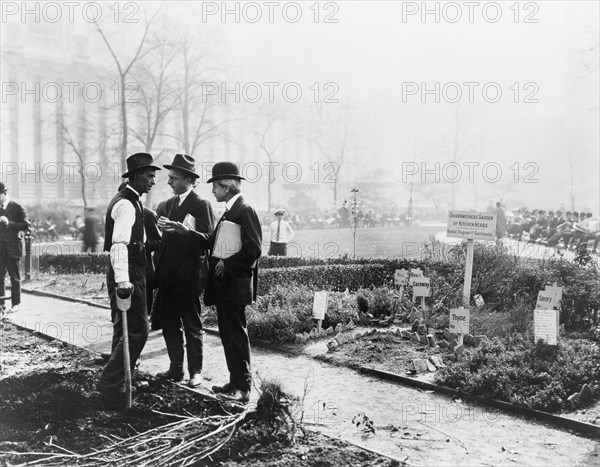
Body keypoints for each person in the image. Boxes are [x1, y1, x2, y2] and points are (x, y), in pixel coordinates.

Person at [161, 161, 261, 403]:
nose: (212, 192)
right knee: (228, 334)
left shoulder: (244, 209)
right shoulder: (230, 210)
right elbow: (210, 240)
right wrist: (185, 232)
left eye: (215, 187)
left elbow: (254, 249)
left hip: (235, 285)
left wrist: (228, 264)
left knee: (236, 335)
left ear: (226, 187)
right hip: (226, 286)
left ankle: (243, 388)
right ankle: (234, 381)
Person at [96, 153, 160, 397]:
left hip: (133, 268)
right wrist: (123, 279)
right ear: (135, 177)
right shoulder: (125, 204)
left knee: (122, 331)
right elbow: (119, 244)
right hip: (128, 270)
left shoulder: (133, 201)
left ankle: (122, 382)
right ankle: (109, 384)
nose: (153, 182)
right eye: (149, 176)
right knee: (138, 331)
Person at [154, 154, 215, 388]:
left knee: (192, 324)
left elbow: (209, 240)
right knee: (169, 324)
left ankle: (196, 372)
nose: (169, 182)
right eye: (169, 177)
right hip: (168, 275)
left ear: (189, 180)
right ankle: (175, 368)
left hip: (188, 275)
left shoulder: (201, 205)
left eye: (174, 178)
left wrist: (185, 232)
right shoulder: (167, 205)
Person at [0, 182, 29, 314]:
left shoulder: (17, 207)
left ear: (5, 194)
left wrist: (9, 223)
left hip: (12, 246)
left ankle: (15, 304)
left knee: (14, 276)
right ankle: (1, 304)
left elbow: (25, 225)